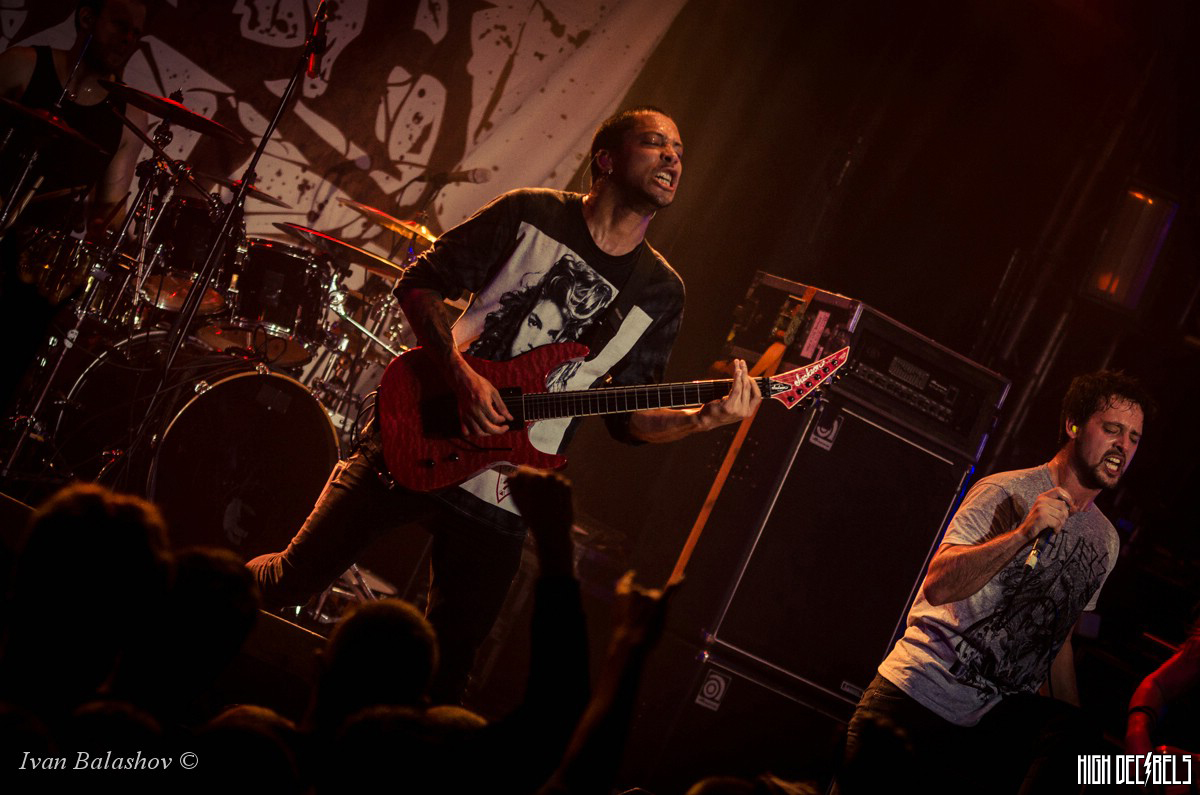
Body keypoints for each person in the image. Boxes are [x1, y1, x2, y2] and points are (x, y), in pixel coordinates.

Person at [248, 106, 762, 702]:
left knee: (445, 676)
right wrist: (462, 377)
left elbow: (628, 419)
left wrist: (702, 420)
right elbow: (419, 283)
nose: (673, 157)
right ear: (606, 158)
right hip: (423, 426)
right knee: (291, 579)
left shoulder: (661, 293)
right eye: (654, 143)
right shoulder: (530, 212)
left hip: (503, 492)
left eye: (679, 150)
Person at [841, 370, 1154, 794]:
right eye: (1112, 429)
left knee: (1078, 735)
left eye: (1134, 437)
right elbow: (938, 586)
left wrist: (1075, 731)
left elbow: (1057, 640)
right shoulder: (1005, 490)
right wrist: (1023, 533)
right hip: (916, 701)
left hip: (986, 729)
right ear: (1074, 425)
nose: (1123, 446)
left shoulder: (1105, 541)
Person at [0, 0, 149, 237]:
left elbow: (110, 206)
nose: (128, 39)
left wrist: (117, 232)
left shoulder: (130, 116)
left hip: (39, 251)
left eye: (135, 33)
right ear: (87, 18)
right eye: (120, 25)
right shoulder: (21, 65)